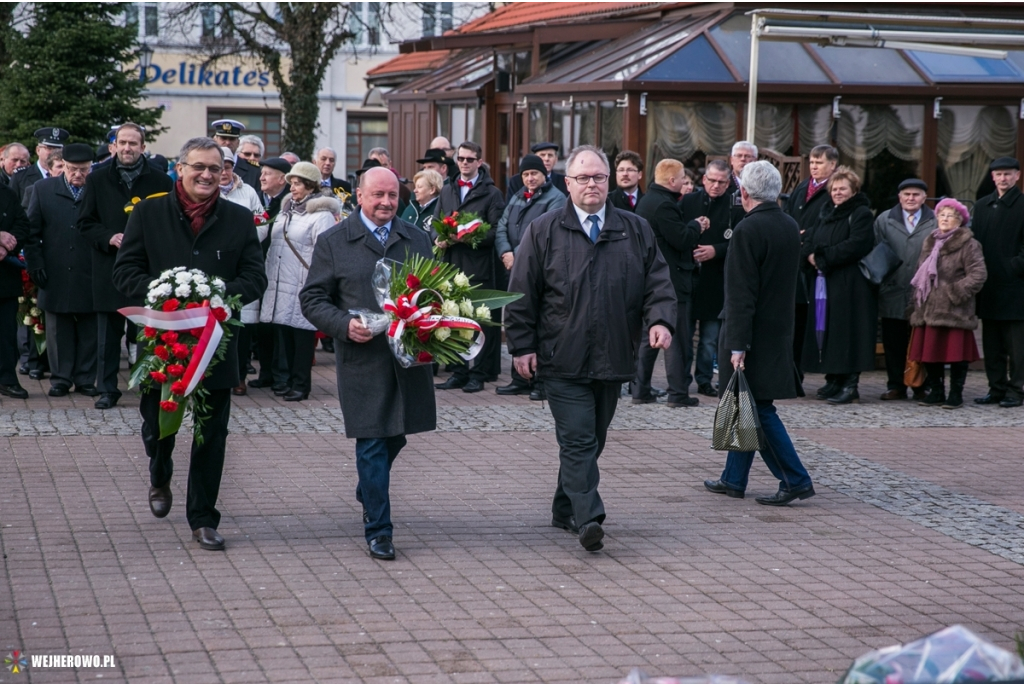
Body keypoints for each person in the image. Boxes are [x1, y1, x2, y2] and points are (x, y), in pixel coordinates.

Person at [505, 144, 676, 552]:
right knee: (579, 439)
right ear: (568, 184)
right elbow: (521, 293)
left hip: (614, 355)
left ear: (609, 180)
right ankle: (589, 518)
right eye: (583, 178)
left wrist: (661, 320)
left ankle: (564, 506)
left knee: (593, 439)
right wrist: (521, 346)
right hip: (560, 356)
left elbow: (658, 282)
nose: (592, 184)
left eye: (599, 177)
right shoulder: (544, 229)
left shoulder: (635, 229)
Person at [112, 137, 267, 551]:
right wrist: (167, 294)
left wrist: (216, 294)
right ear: (179, 169)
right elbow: (125, 272)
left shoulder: (237, 218)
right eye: (198, 167)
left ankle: (202, 518)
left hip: (216, 344)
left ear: (224, 173)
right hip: (161, 343)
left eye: (215, 169)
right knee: (156, 426)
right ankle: (160, 473)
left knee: (212, 433)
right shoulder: (149, 212)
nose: (206, 175)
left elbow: (255, 277)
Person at [300, 166, 436, 561]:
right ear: (358, 196)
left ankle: (368, 484)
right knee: (372, 439)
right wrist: (343, 325)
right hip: (362, 358)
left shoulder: (416, 238)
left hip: (410, 356)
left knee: (398, 435)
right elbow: (312, 299)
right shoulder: (334, 241)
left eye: (393, 196)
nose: (386, 203)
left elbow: (435, 291)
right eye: (377, 195)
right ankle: (379, 528)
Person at [703, 161, 815, 506]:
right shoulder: (788, 223)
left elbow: (740, 294)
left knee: (758, 408)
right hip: (776, 330)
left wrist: (737, 344)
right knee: (746, 404)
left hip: (751, 334)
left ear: (744, 193)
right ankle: (733, 478)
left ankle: (794, 478)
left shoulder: (748, 230)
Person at [78, 122, 174, 409]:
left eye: (133, 143)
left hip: (148, 269)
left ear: (143, 147)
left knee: (149, 331)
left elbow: (170, 223)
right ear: (113, 146)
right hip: (109, 266)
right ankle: (107, 388)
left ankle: (150, 384)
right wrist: (109, 237)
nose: (127, 148)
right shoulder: (97, 179)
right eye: (122, 143)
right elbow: (85, 222)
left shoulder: (161, 181)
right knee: (107, 334)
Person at [260, 161, 340, 402]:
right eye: (291, 184)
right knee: (285, 333)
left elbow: (324, 254)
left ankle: (301, 384)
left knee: (303, 337)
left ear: (310, 185)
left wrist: (316, 285)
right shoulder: (286, 210)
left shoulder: (321, 215)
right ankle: (286, 381)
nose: (292, 188)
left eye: (297, 184)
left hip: (303, 283)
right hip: (279, 282)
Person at [23, 143, 98, 398]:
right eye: (73, 169)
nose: (79, 174)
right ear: (63, 166)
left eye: (84, 170)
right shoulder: (43, 190)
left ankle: (86, 378)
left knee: (90, 327)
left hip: (90, 268)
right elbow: (31, 232)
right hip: (54, 268)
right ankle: (61, 378)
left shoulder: (98, 189)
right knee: (57, 329)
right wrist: (35, 264)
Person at [433, 141, 506, 393]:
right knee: (454, 318)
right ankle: (458, 371)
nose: (465, 163)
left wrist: (468, 237)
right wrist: (438, 236)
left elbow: (497, 231)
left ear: (479, 161)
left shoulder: (492, 193)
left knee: (481, 321)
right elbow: (436, 220)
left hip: (479, 266)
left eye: (470, 159)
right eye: (461, 159)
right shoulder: (447, 189)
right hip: (451, 265)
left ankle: (480, 373)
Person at [494, 153, 568, 399]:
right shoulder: (516, 197)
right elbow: (503, 226)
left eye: (534, 173)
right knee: (518, 319)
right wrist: (505, 252)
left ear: (544, 174)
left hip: (538, 269)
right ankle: (520, 378)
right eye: (525, 174)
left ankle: (540, 381)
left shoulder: (556, 199)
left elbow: (542, 232)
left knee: (540, 323)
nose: (530, 178)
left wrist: (517, 255)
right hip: (515, 267)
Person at [801, 166, 876, 405]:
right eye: (834, 189)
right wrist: (809, 255)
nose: (838, 192)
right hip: (825, 283)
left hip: (851, 285)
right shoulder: (826, 212)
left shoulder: (861, 213)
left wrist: (822, 258)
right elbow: (810, 238)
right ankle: (833, 378)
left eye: (843, 188)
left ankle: (850, 383)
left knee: (848, 333)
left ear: (854, 191)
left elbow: (856, 244)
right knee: (830, 332)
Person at [907, 198, 987, 409]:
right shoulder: (930, 241)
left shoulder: (969, 244)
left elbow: (978, 275)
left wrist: (953, 293)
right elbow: (919, 272)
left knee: (956, 354)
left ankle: (955, 394)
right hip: (928, 308)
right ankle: (936, 392)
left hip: (954, 309)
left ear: (960, 220)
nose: (944, 219)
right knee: (930, 352)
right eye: (941, 215)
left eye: (950, 215)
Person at [633, 158, 699, 407]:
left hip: (649, 279)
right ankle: (678, 394)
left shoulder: (647, 200)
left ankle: (640, 390)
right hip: (671, 280)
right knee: (675, 337)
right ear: (672, 181)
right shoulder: (664, 205)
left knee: (647, 338)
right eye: (683, 178)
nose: (685, 182)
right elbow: (681, 239)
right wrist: (696, 225)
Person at [682, 159, 746, 398]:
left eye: (721, 182)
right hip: (690, 276)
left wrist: (716, 250)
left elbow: (739, 242)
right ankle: (681, 379)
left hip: (716, 279)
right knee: (685, 336)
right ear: (703, 179)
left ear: (728, 182)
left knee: (709, 338)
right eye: (712, 180)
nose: (716, 186)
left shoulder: (735, 207)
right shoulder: (689, 201)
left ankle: (704, 379)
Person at [873, 178, 937, 401]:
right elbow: (876, 250)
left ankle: (922, 385)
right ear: (899, 197)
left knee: (921, 340)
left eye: (916, 194)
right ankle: (896, 385)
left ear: (924, 198)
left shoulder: (935, 220)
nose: (911, 198)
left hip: (924, 292)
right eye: (907, 194)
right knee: (894, 342)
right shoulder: (884, 219)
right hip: (892, 288)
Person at [972, 157, 1024, 408]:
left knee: (1017, 347)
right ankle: (996, 388)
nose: (1003, 179)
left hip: (1016, 287)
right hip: (988, 286)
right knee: (992, 345)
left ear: (1018, 176)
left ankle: (1016, 390)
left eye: (1008, 174)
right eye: (999, 174)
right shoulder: (982, 206)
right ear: (992, 177)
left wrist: (1013, 267)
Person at [784, 144, 838, 380]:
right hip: (796, 265)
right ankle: (793, 374)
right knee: (794, 323)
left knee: (815, 324)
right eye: (812, 163)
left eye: (820, 163)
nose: (814, 167)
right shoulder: (803, 186)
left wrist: (807, 238)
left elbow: (829, 225)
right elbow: (788, 214)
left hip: (817, 266)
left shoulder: (835, 190)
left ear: (833, 165)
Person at [217, 147, 266, 395]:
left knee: (242, 325)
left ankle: (240, 374)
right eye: (220, 166)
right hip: (215, 266)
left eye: (228, 166)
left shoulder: (247, 192)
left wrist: (242, 237)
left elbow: (262, 222)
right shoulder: (208, 191)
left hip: (241, 264)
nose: (224, 171)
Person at [248, 156, 292, 392]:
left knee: (279, 328)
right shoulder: (263, 202)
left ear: (282, 179)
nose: (261, 177)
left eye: (267, 173)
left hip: (280, 273)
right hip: (262, 272)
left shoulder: (287, 203)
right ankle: (267, 372)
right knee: (263, 326)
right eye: (261, 173)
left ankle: (281, 376)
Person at [0, 181, 30, 399]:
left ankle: (6, 379)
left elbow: (22, 225)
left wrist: (5, 246)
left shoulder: (6, 193)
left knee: (6, 333)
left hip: (4, 277)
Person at [10, 127, 69, 201]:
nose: (54, 152)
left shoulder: (69, 176)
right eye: (49, 148)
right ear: (38, 150)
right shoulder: (20, 176)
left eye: (58, 149)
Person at [210, 119, 260, 192]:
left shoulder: (253, 171)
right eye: (223, 138)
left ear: (238, 143)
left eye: (232, 139)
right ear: (215, 140)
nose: (227, 142)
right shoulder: (205, 166)